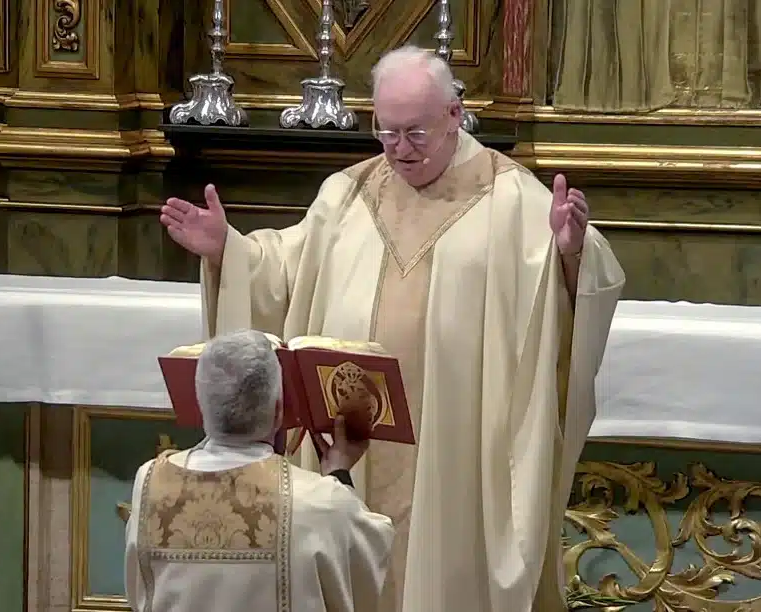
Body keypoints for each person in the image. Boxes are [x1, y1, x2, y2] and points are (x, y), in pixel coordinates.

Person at [160, 44, 625, 612]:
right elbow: (283, 270)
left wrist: (571, 252)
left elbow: (567, 296)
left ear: (455, 114)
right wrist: (227, 252)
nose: (400, 150)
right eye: (387, 132)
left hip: (455, 443)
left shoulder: (512, 197)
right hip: (354, 437)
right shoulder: (348, 192)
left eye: (416, 133)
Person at [124, 330, 395, 611]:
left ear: (201, 404)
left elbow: (140, 591)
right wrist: (339, 473)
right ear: (279, 411)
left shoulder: (150, 483)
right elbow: (366, 567)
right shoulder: (318, 502)